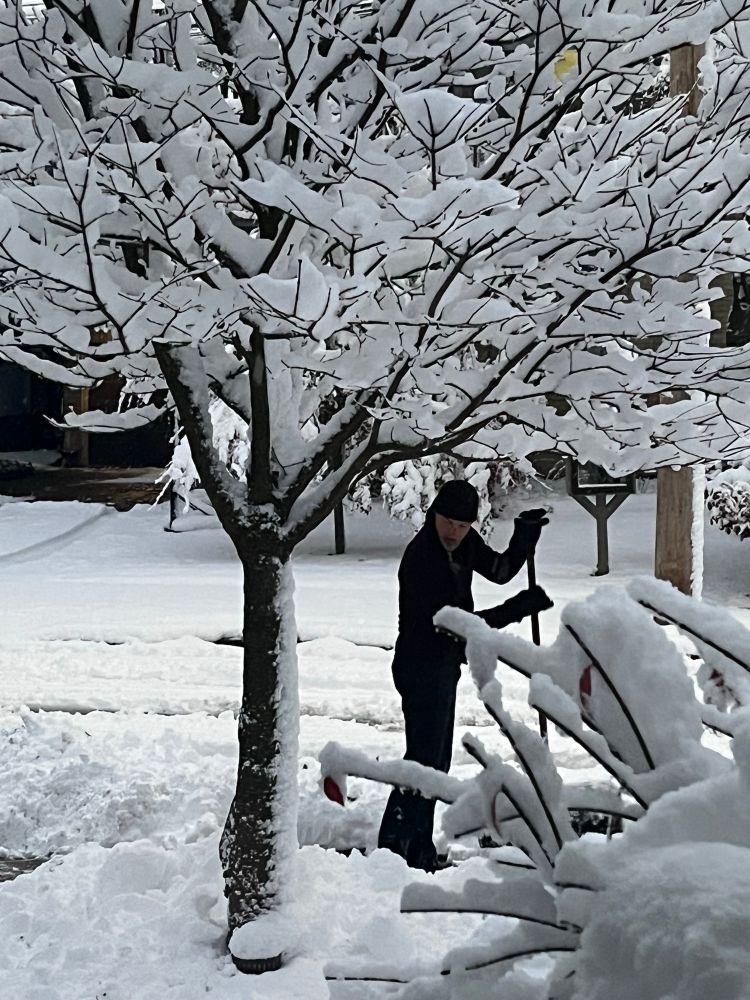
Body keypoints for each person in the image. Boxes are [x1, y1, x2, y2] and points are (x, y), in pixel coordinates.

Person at [377, 479, 552, 872]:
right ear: (434, 515)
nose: (455, 531)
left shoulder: (464, 543)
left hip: (444, 665)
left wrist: (523, 539)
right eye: (448, 522)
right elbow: (455, 624)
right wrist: (516, 609)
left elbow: (499, 570)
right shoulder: (422, 559)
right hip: (419, 664)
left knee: (436, 761)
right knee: (425, 759)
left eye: (463, 524)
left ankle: (411, 846)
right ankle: (397, 846)